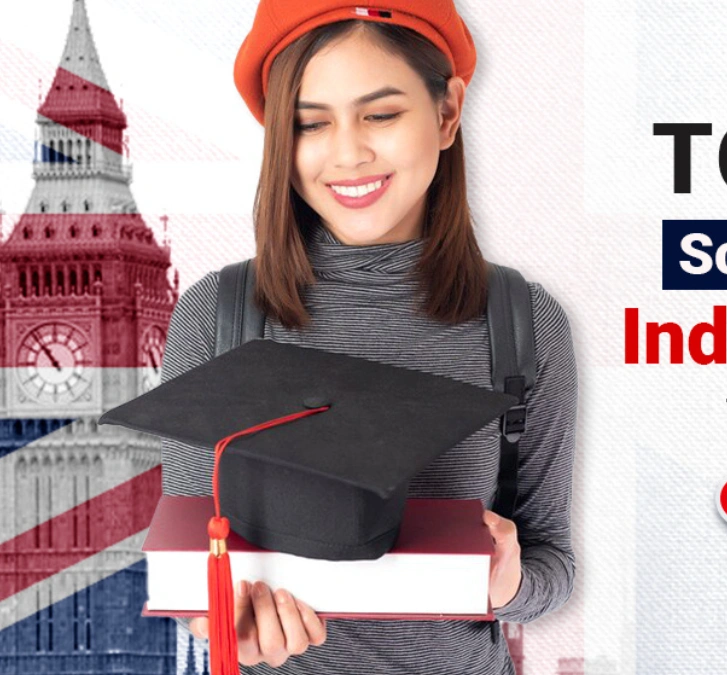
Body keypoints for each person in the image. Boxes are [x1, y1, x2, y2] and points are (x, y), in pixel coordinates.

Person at [158, 1, 577, 673]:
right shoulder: (219, 316)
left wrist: (509, 583)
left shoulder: (522, 327)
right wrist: (224, 618)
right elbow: (189, 565)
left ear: (446, 113)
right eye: (309, 122)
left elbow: (552, 558)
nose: (347, 152)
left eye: (380, 114)